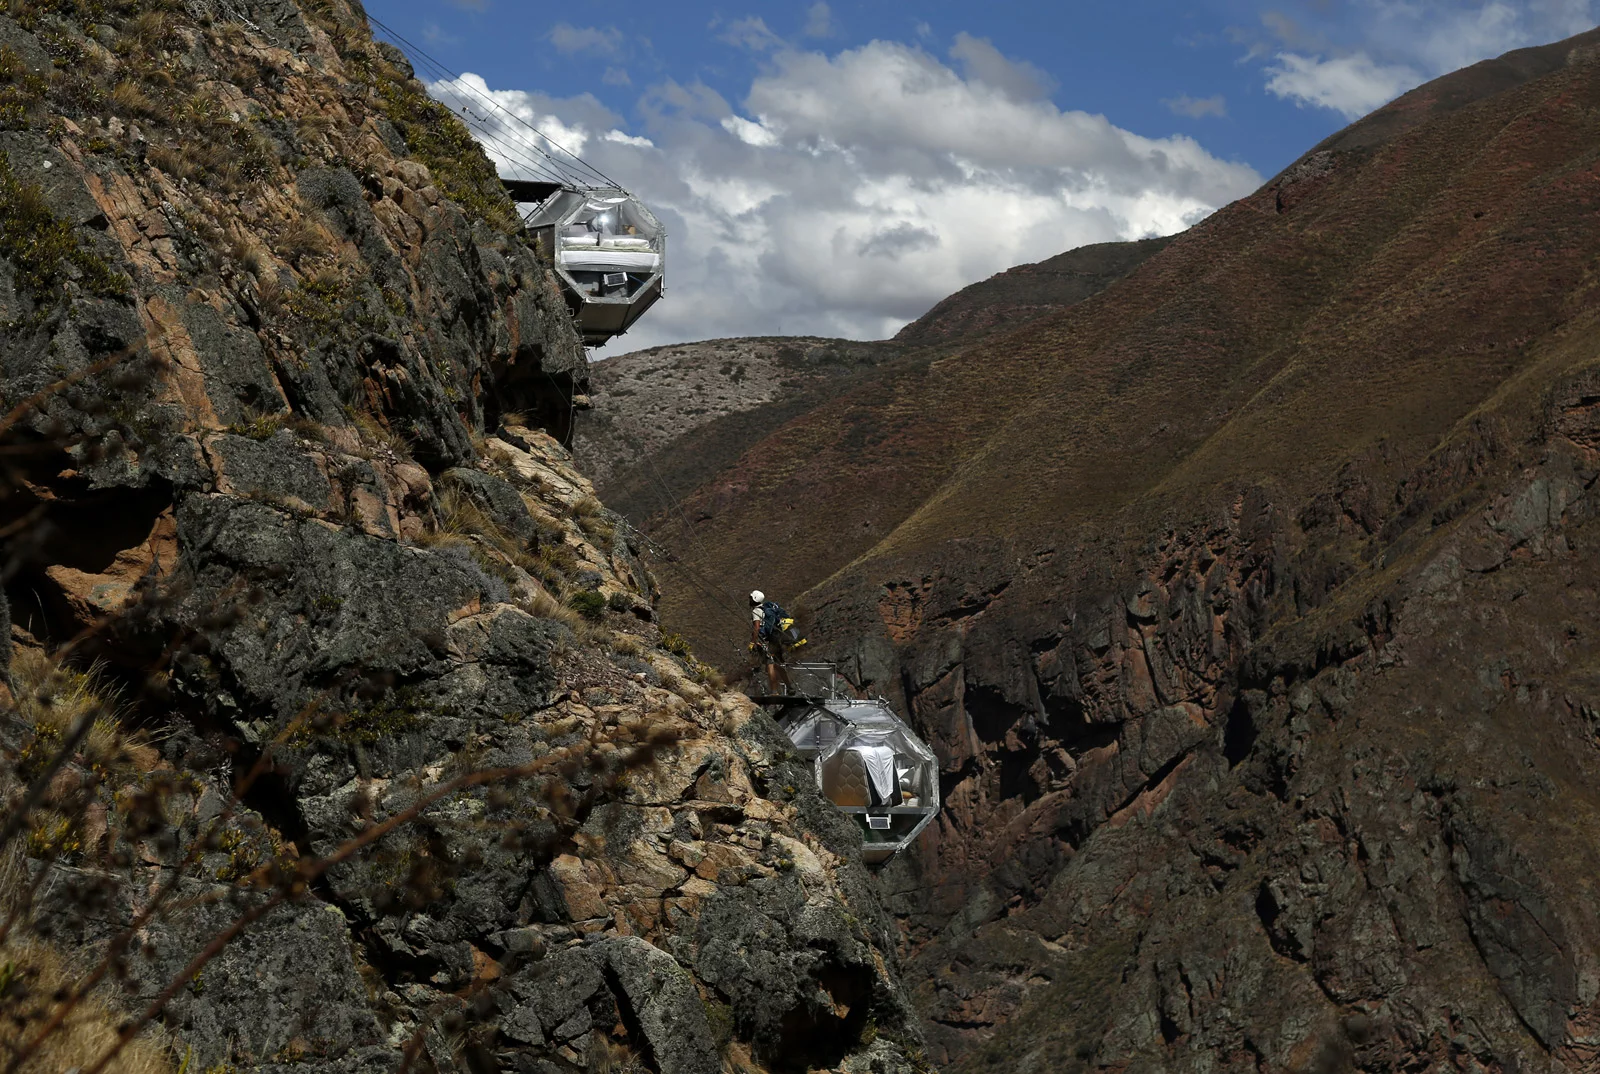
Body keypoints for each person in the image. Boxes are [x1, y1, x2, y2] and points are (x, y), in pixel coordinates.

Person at [749, 589, 796, 695]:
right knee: (779, 664)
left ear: (754, 599)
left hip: (766, 641)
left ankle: (774, 692)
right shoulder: (767, 609)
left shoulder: (756, 611)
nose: (749, 600)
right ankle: (789, 687)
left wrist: (753, 642)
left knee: (770, 665)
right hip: (775, 639)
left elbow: (756, 627)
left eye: (750, 598)